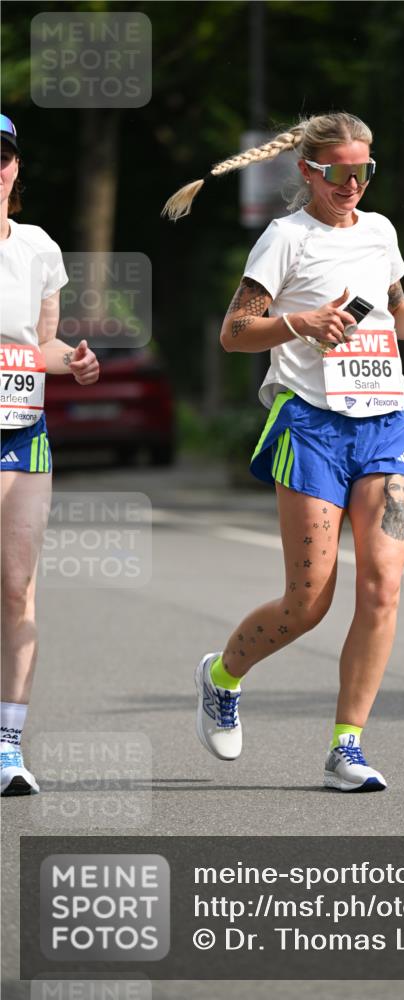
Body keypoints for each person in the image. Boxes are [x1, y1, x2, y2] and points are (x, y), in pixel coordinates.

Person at [163, 111, 404, 791]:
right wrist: (297, 323)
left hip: (385, 423)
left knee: (382, 585)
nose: (353, 185)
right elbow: (234, 333)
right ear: (308, 172)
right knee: (308, 602)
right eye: (339, 173)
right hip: (311, 427)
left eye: (364, 171)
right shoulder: (285, 239)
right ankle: (221, 677)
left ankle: (346, 746)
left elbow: (394, 311)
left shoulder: (381, 233)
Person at [0, 114, 100, 795]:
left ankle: (7, 744)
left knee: (16, 586)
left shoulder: (38, 247)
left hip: (21, 430)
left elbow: (43, 346)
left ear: (15, 169)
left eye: (2, 157)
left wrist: (76, 362)